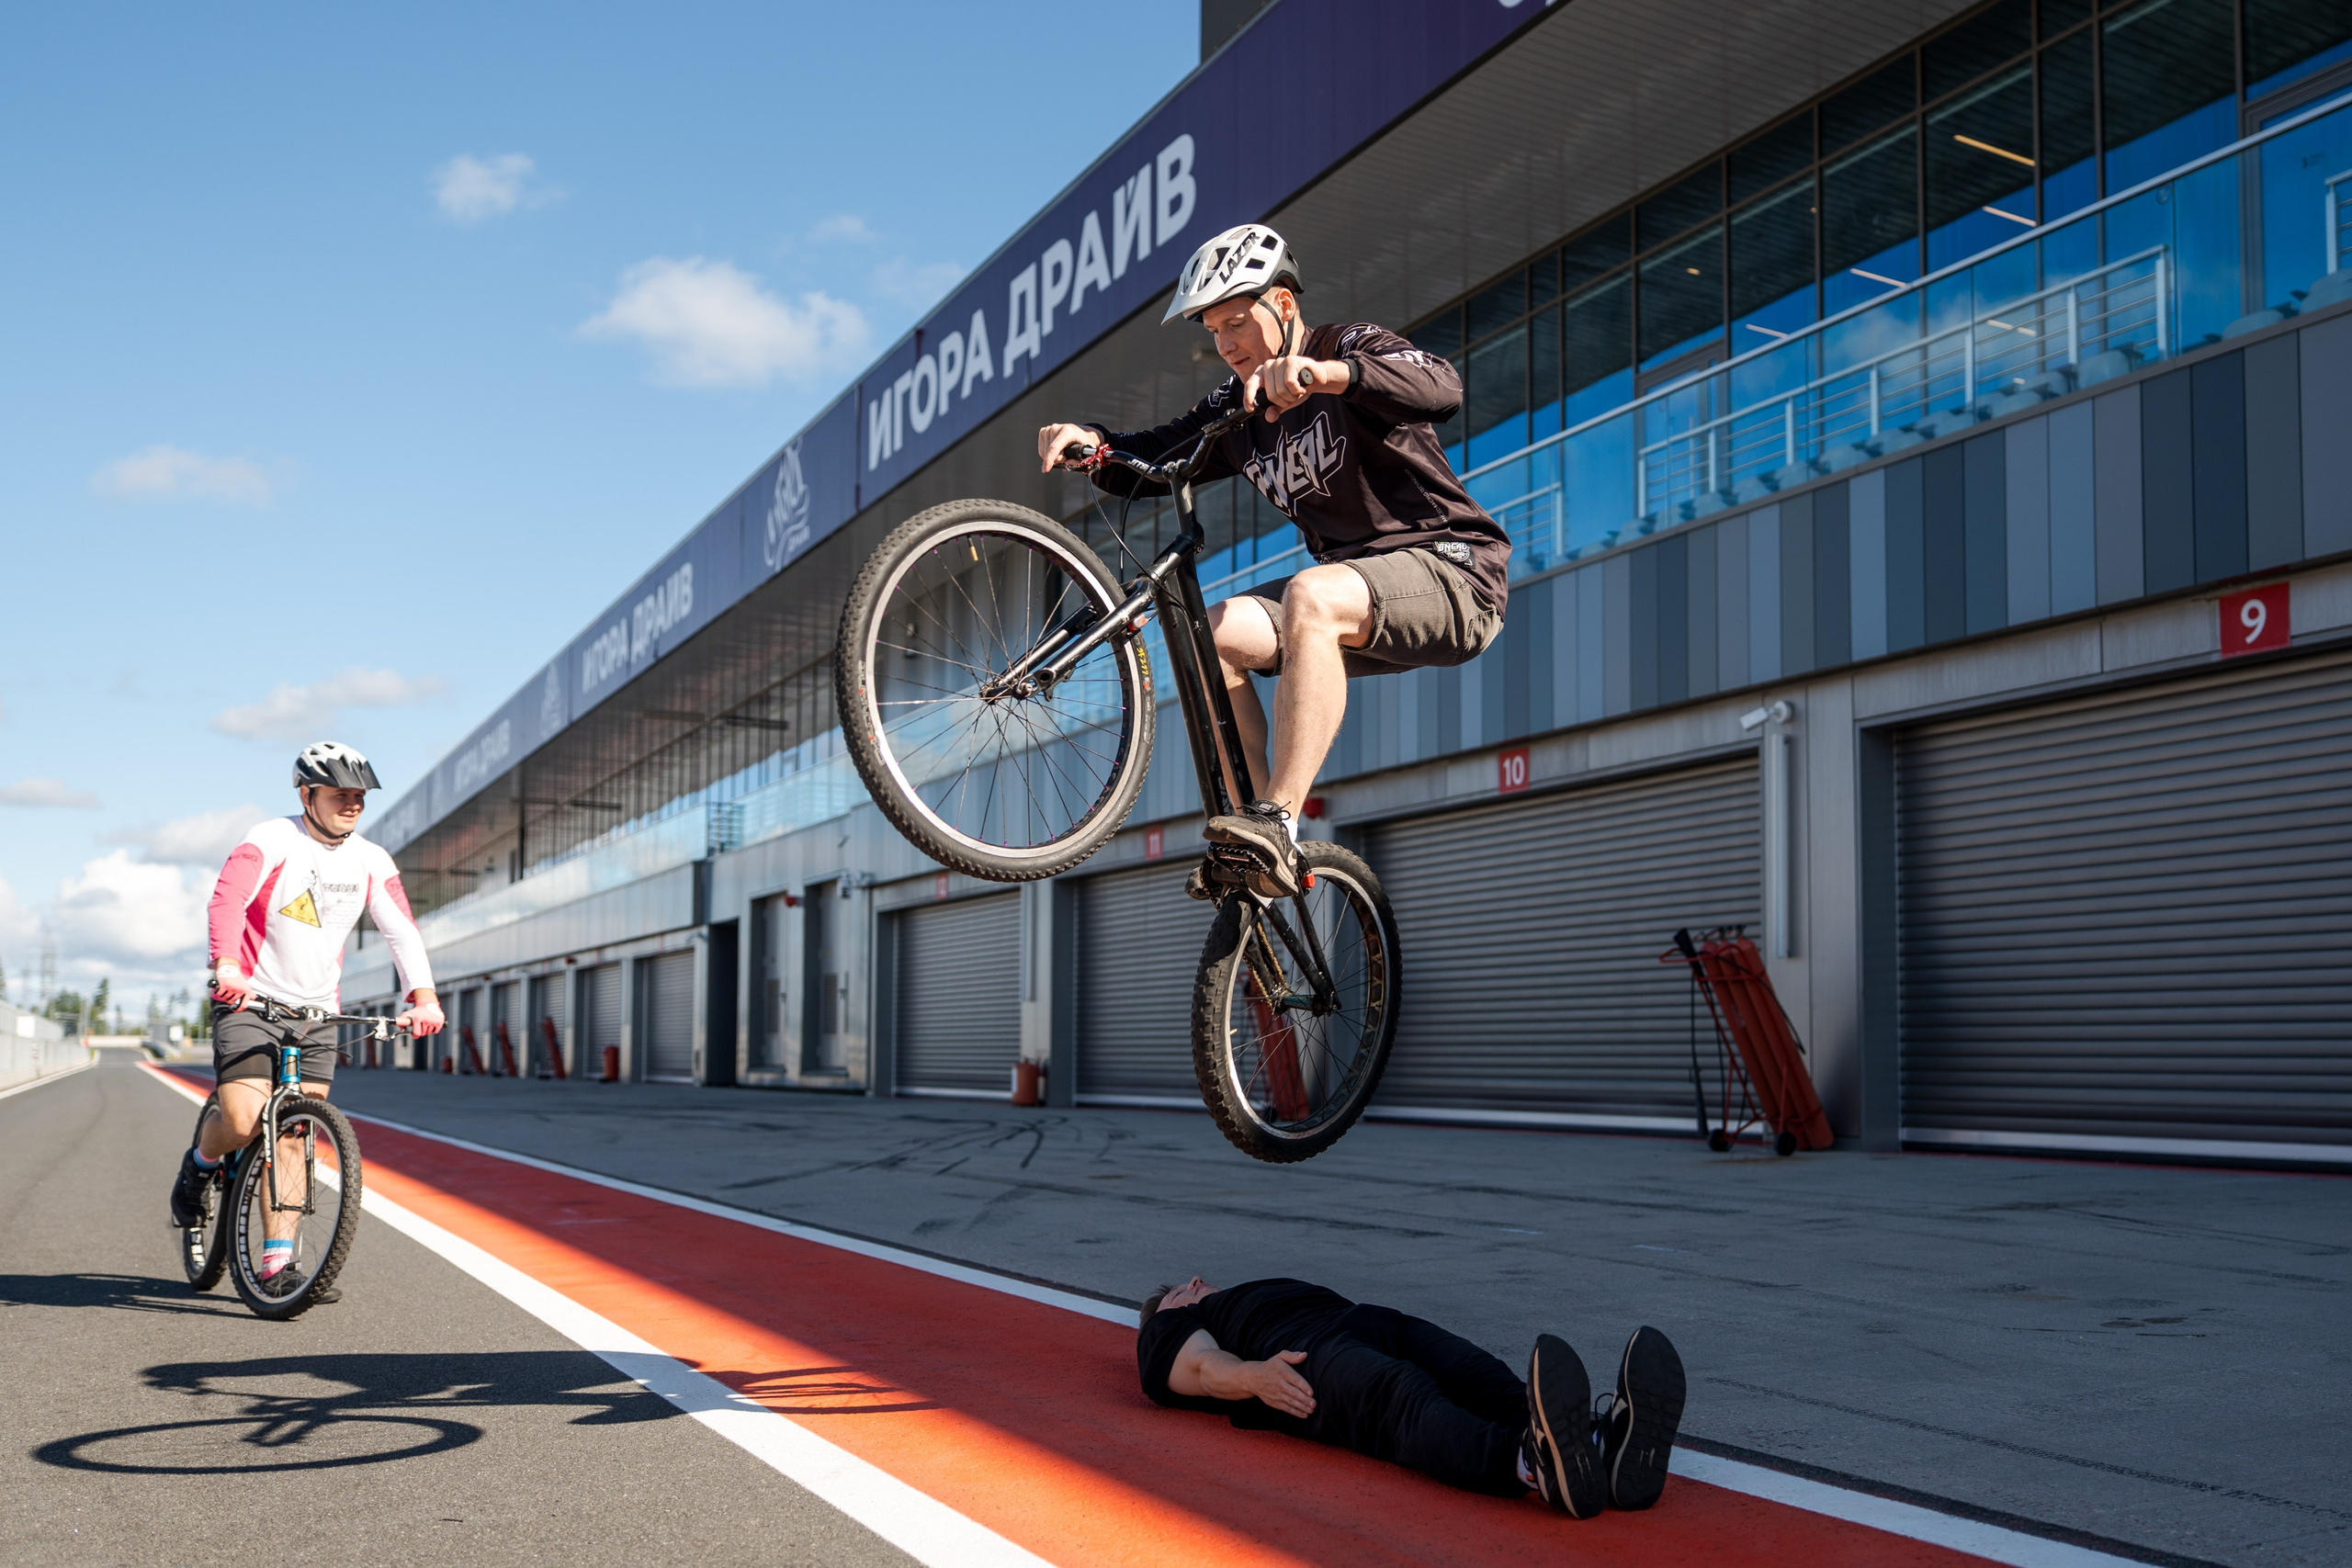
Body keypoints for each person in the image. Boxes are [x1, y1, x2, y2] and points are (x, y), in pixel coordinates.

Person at [1038, 223, 1510, 898]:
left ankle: (1280, 814)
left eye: (1237, 322)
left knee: (1311, 594)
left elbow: (1441, 386)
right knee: (1213, 632)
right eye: (1213, 331)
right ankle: (1256, 842)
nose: (1226, 344)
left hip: (1453, 574)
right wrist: (1095, 445)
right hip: (1358, 597)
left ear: (1283, 305)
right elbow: (1156, 456)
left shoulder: (1344, 346)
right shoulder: (1240, 407)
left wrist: (1326, 377)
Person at [168, 742, 443, 1293]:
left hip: (317, 1013)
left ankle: (276, 1263)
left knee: (293, 1131)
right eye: (340, 795)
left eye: (359, 798)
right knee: (245, 1121)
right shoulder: (270, 838)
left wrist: (423, 995)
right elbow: (226, 901)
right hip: (250, 1001)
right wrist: (226, 965)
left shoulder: (371, 859)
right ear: (306, 794)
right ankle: (199, 1165)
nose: (352, 805)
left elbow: (401, 930)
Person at [1136, 1275, 1685, 1519]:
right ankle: (1527, 1463)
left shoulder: (1238, 1294)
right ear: (1170, 1306)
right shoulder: (1171, 1325)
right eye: (1184, 1285)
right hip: (1308, 1359)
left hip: (1369, 1319)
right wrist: (1255, 1378)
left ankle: (1601, 1447)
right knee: (1403, 1401)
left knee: (1481, 1376)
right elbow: (1202, 1368)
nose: (1197, 1279)